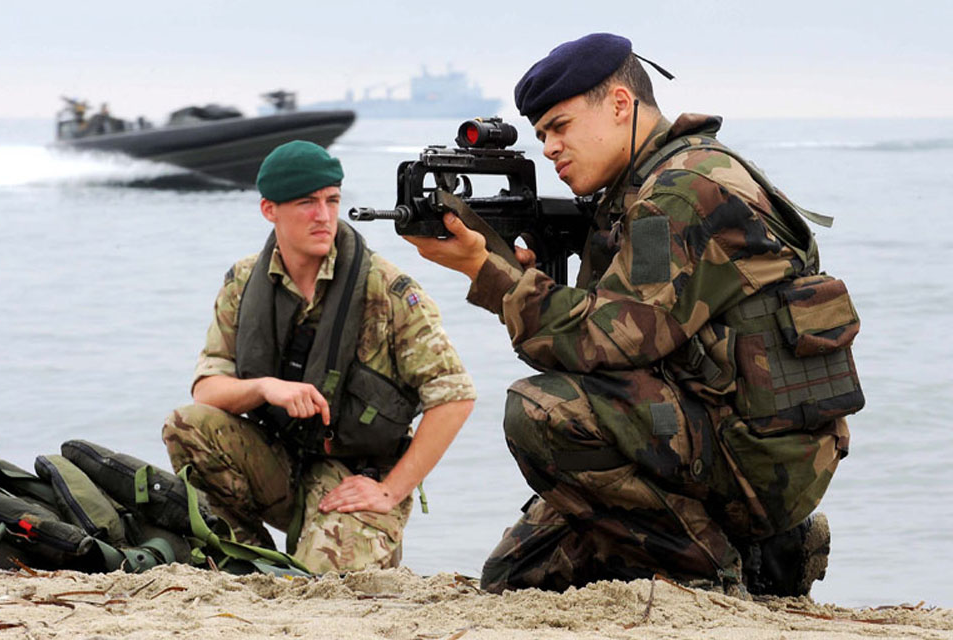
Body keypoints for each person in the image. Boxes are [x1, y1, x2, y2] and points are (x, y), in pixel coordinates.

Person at [405, 33, 862, 596]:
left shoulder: (681, 191)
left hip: (758, 457)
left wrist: (489, 272)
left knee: (540, 411)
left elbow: (607, 342)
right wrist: (511, 265)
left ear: (621, 105)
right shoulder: (638, 188)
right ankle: (774, 552)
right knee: (516, 579)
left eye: (560, 126)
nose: (549, 148)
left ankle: (718, 573)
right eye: (541, 134)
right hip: (722, 428)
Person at [163, 140, 475, 573]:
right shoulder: (243, 282)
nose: (324, 216)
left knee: (320, 584)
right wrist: (265, 387)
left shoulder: (386, 288)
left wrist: (390, 491)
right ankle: (248, 563)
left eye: (332, 201)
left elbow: (454, 397)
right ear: (269, 210)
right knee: (187, 426)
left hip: (356, 471)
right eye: (306, 203)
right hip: (282, 459)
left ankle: (353, 538)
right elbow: (207, 389)